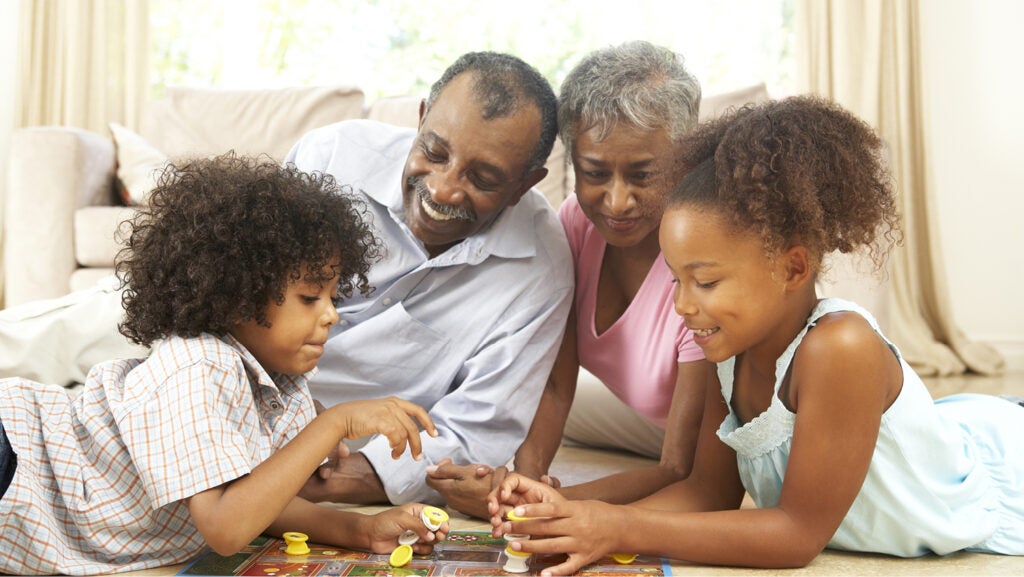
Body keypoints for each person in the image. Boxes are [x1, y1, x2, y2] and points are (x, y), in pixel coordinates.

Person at [0, 51, 574, 506]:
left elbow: (477, 429)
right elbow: (235, 280)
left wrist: (335, 473)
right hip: (204, 344)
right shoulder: (335, 153)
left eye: (483, 177)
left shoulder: (540, 268)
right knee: (46, 349)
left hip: (307, 418)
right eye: (435, 152)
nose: (445, 189)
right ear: (420, 118)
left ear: (527, 182)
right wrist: (202, 403)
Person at [486, 96, 1024, 574]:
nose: (681, 305)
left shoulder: (842, 348)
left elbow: (795, 535)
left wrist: (619, 528)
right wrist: (572, 515)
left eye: (707, 281)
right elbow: (707, 492)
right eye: (676, 279)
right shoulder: (728, 353)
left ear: (793, 269)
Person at [0, 155, 447, 575]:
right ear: (238, 296)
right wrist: (334, 424)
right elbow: (226, 527)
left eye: (333, 297)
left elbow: (253, 503)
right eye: (310, 297)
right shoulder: (201, 367)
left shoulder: (280, 385)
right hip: (20, 461)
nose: (331, 314)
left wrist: (361, 529)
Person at [427, 41, 714, 518]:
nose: (617, 202)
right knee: (501, 399)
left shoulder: (703, 258)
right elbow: (556, 385)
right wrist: (526, 476)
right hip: (638, 413)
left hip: (708, 433)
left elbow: (679, 470)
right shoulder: (577, 225)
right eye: (595, 172)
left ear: (684, 160)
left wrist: (542, 503)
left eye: (642, 175)